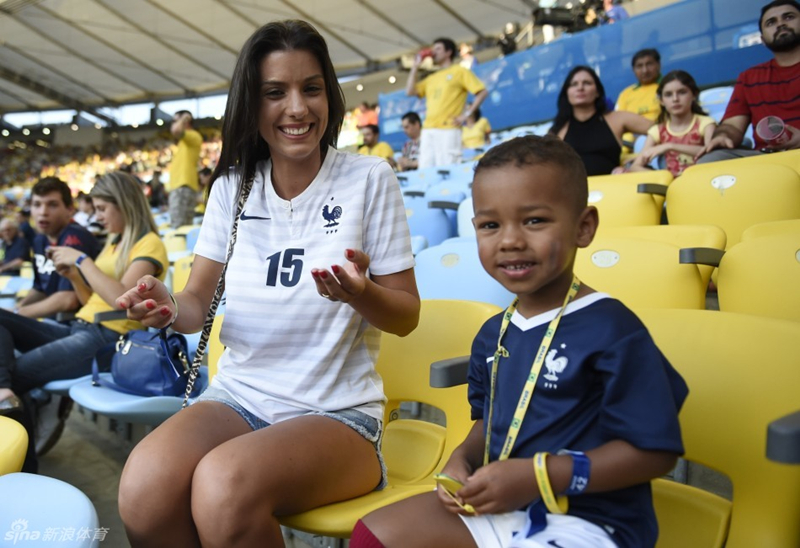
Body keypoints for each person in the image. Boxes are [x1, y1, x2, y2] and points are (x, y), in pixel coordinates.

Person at [116, 20, 419, 547]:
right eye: (275, 92)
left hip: (338, 416)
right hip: (238, 399)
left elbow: (407, 316)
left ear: (331, 95)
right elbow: (194, 305)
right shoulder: (231, 188)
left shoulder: (370, 178)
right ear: (251, 105)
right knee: (142, 488)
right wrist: (165, 306)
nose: (297, 108)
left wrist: (361, 294)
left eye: (312, 88)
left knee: (223, 487)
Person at [352, 135, 688, 548]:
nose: (509, 240)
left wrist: (540, 476)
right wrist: (461, 460)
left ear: (584, 227)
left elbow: (656, 453)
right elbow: (488, 423)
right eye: (490, 225)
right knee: (373, 537)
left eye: (534, 221)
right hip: (504, 506)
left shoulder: (614, 329)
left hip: (591, 522)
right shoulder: (494, 332)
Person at [0, 172, 167, 451]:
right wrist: (76, 276)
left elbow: (120, 301)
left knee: (11, 379)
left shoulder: (150, 242)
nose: (97, 216)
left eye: (102, 209)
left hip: (107, 339)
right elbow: (91, 299)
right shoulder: (115, 242)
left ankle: (22, 459)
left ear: (124, 204)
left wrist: (81, 260)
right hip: (82, 328)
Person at [697, 0, 800, 163]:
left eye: (788, 17)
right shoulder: (749, 78)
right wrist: (723, 136)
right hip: (766, 158)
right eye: (771, 22)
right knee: (710, 160)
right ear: (763, 39)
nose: (780, 24)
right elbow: (732, 126)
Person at [15, 177, 101, 319]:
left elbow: (69, 300)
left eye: (52, 205)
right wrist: (17, 308)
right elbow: (40, 290)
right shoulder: (39, 240)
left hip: (74, 323)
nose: (43, 212)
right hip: (50, 319)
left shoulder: (75, 238)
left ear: (70, 209)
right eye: (37, 205)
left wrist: (16, 315)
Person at [549, 66, 653, 175]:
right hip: (571, 191)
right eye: (574, 84)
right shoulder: (557, 130)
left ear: (598, 92)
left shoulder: (617, 119)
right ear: (566, 93)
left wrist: (637, 163)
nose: (580, 88)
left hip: (615, 188)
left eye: (587, 83)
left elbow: (663, 130)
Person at [406, 37, 489, 169]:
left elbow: (482, 91)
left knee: (448, 170)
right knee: (425, 170)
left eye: (438, 49)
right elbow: (410, 91)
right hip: (428, 130)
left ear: (448, 52)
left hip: (449, 129)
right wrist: (415, 67)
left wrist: (466, 114)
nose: (434, 52)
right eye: (432, 49)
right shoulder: (431, 77)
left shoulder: (460, 71)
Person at [626, 70, 716, 177]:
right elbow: (635, 167)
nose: (675, 99)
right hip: (672, 189)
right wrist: (665, 178)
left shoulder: (706, 123)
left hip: (703, 182)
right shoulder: (657, 131)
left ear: (694, 95)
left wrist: (670, 146)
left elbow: (713, 154)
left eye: (682, 92)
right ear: (661, 101)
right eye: (668, 94)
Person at [616, 49, 662, 151]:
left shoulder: (668, 87)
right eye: (639, 66)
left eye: (649, 64)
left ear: (658, 65)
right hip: (627, 143)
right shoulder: (626, 93)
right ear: (633, 70)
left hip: (659, 138)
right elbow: (617, 123)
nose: (645, 70)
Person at [167, 110, 203, 229]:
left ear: (186, 121)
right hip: (182, 187)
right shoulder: (184, 142)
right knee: (181, 226)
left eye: (175, 120)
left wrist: (183, 119)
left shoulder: (193, 136)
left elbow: (176, 130)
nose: (173, 124)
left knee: (179, 227)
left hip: (183, 187)